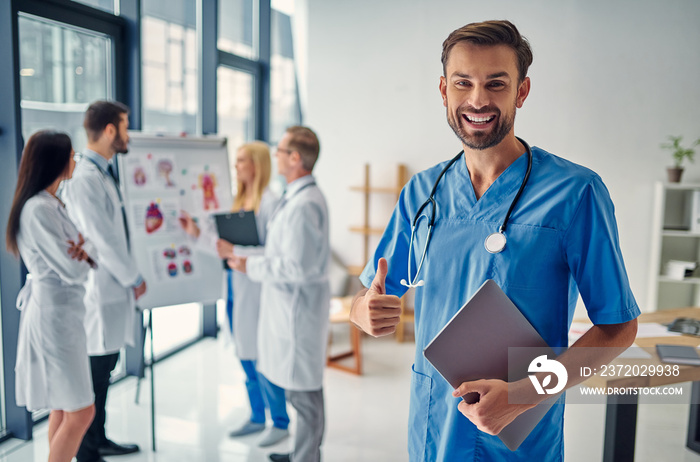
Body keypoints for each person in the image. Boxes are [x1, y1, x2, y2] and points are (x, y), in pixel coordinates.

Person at [349, 20, 639, 461]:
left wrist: (525, 394)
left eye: (496, 84)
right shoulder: (422, 193)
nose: (478, 99)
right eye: (463, 83)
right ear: (444, 90)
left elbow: (618, 327)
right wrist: (364, 312)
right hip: (435, 426)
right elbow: (370, 296)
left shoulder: (576, 192)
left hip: (519, 436)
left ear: (521, 92)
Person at [227, 126, 330, 462]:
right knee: (299, 394)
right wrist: (248, 258)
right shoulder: (296, 198)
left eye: (281, 150)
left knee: (305, 398)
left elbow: (298, 268)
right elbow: (280, 255)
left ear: (295, 158)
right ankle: (302, 451)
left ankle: (306, 457)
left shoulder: (304, 205)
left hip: (297, 316)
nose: (276, 156)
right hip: (287, 311)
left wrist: (249, 266)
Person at [179, 141, 290, 447]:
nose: (236, 165)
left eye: (242, 160)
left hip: (258, 290)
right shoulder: (238, 200)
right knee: (245, 355)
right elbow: (221, 248)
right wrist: (196, 234)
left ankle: (279, 421)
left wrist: (237, 250)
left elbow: (274, 253)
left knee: (262, 357)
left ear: (257, 164)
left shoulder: (271, 203)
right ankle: (257, 416)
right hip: (234, 288)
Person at [62, 100, 145, 462]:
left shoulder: (102, 172)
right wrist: (134, 277)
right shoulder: (85, 178)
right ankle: (88, 450)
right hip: (100, 290)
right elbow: (104, 237)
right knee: (96, 376)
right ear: (110, 130)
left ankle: (99, 439)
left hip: (109, 289)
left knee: (104, 372)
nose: (128, 135)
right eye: (125, 127)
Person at [6, 130, 96, 462]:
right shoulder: (38, 210)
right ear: (55, 161)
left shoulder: (53, 203)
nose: (75, 160)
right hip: (53, 318)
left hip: (64, 314)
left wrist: (83, 252)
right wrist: (83, 254)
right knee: (81, 412)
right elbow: (75, 269)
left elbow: (85, 252)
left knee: (63, 406)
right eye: (71, 154)